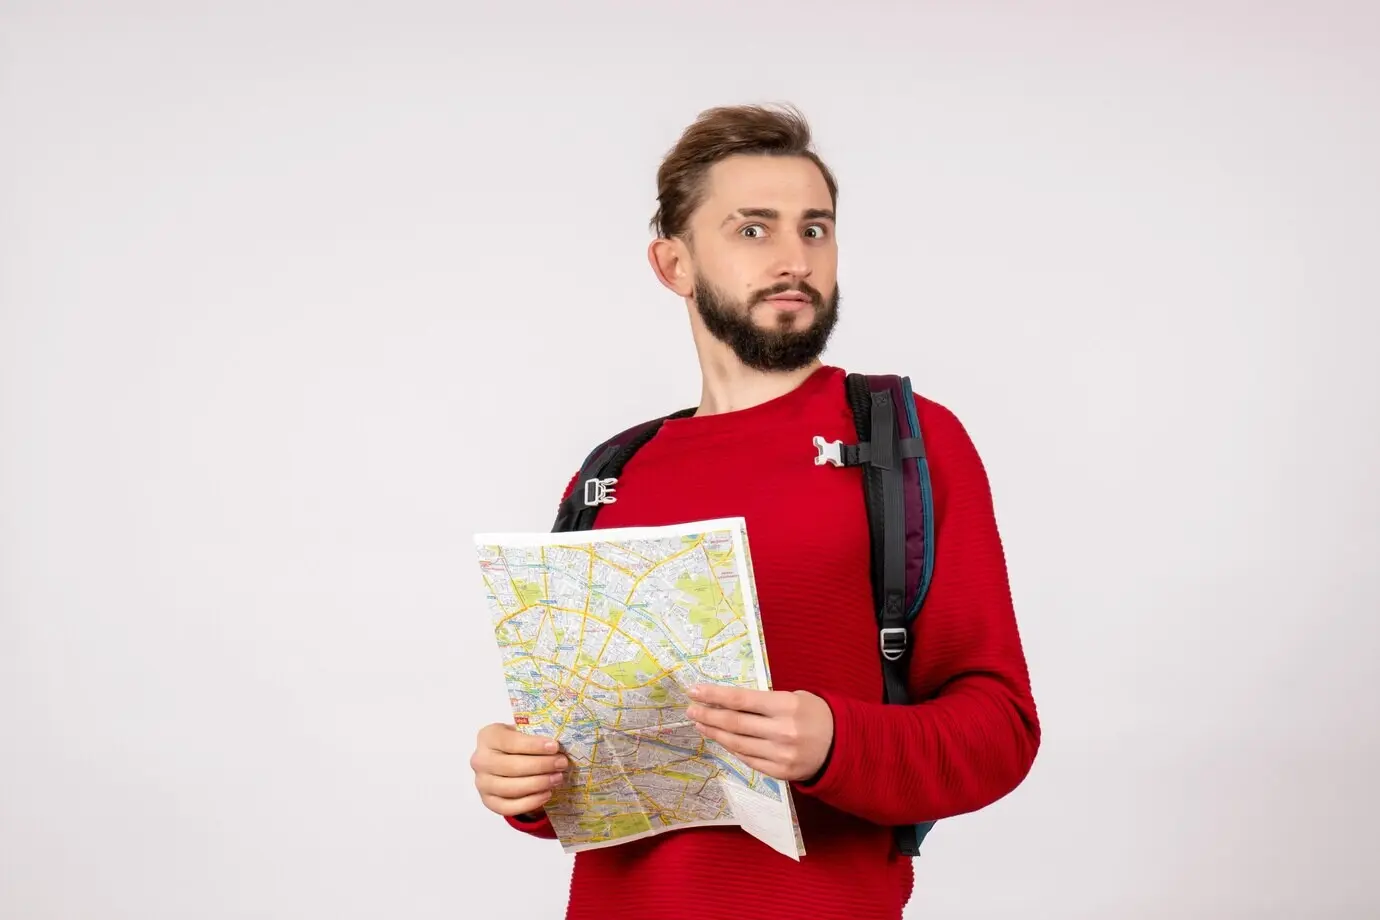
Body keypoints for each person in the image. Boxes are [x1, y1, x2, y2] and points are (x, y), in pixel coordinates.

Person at [468, 103, 1040, 920]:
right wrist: (522, 778)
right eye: (752, 230)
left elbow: (1001, 729)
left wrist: (837, 742)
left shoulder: (903, 439)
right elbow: (591, 757)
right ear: (675, 264)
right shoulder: (614, 472)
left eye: (815, 230)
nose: (792, 258)